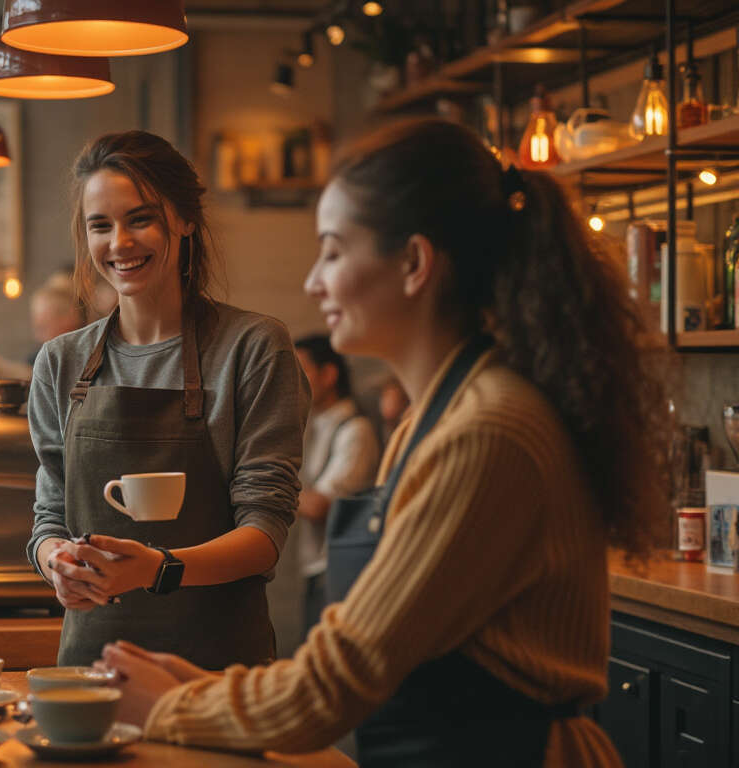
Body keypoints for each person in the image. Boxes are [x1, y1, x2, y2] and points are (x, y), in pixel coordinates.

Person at [99, 118, 670, 767]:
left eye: (334, 251)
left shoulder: (487, 432)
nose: (315, 282)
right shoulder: (441, 414)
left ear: (414, 264)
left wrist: (166, 706)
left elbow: (337, 682)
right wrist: (197, 685)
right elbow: (377, 657)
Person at [27, 130, 309, 670]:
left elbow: (265, 531)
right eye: (100, 225)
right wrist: (55, 561)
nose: (120, 244)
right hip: (92, 671)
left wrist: (158, 567)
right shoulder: (60, 363)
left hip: (220, 673)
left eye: (140, 219)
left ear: (184, 219)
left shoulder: (252, 347)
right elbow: (49, 518)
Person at [283, 334, 379, 645]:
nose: (293, 382)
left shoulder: (356, 430)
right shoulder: (317, 424)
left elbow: (318, 506)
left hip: (338, 570)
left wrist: (262, 484)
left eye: (302, 371)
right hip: (315, 567)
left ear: (329, 374)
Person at [0, 272, 85, 379]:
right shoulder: (40, 354)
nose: (36, 336)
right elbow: (29, 372)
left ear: (70, 318)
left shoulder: (84, 355)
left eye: (43, 328)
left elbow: (39, 379)